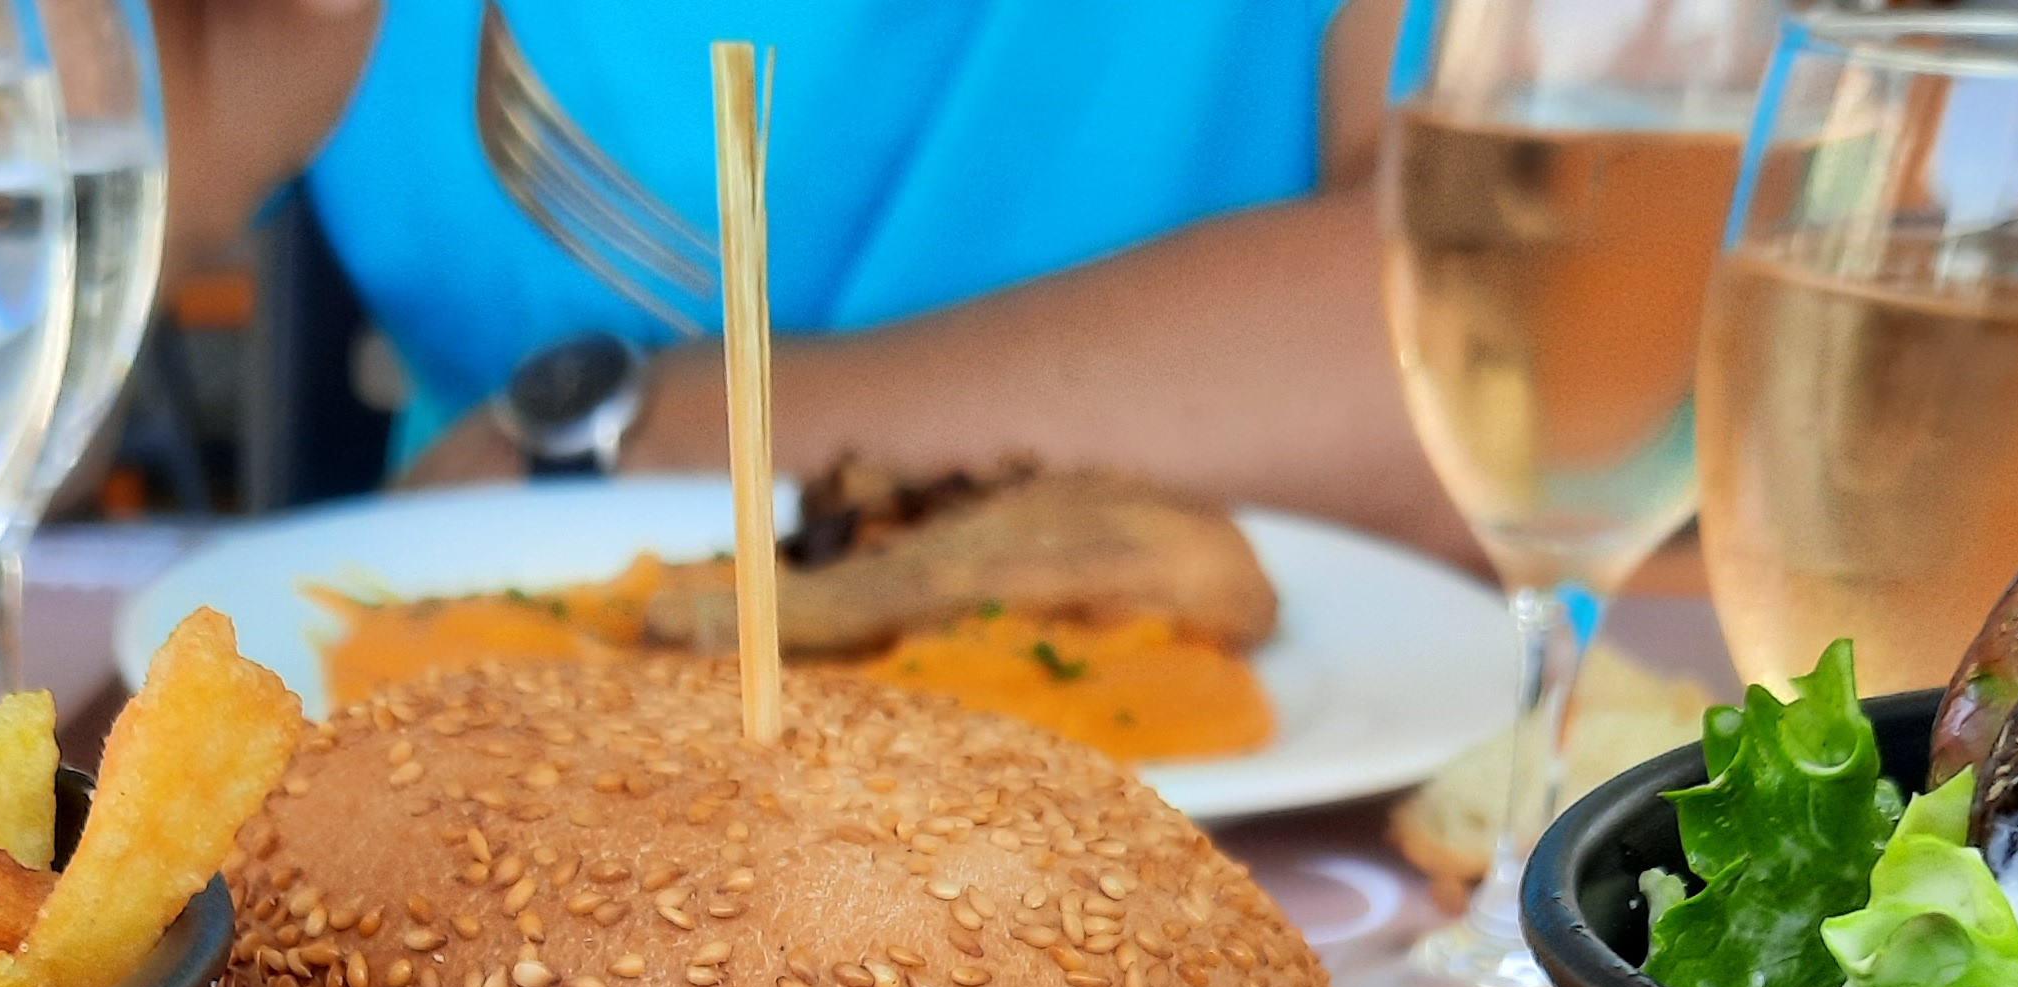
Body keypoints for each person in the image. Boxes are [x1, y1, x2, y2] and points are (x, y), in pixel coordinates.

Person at [152, 0, 1477, 565]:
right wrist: (192, 148)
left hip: (1299, 812)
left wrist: (654, 444)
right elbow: (13, 336)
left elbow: (1487, 345)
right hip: (480, 740)